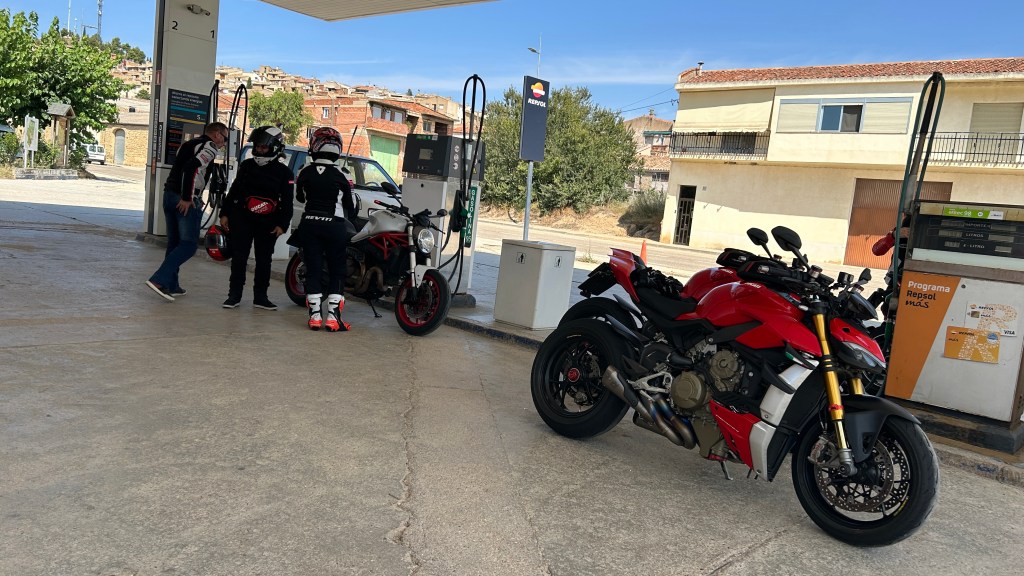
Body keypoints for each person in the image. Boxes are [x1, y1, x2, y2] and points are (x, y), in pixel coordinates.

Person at [146, 122, 229, 301]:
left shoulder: (188, 144)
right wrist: (187, 197)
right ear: (216, 134)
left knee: (175, 243)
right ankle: (159, 280)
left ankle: (171, 285)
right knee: (189, 245)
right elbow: (191, 168)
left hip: (169, 195)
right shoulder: (209, 146)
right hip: (183, 199)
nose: (224, 143)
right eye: (225, 138)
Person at [218, 125, 294, 310]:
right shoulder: (246, 166)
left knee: (264, 260)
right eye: (257, 146)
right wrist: (225, 213)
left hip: (268, 223)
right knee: (239, 258)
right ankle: (234, 296)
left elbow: (287, 202)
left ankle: (261, 297)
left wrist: (282, 225)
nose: (259, 150)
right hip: (242, 218)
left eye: (264, 147)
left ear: (275, 148)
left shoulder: (285, 173)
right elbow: (234, 191)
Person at [292, 127, 356, 331]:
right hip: (334, 226)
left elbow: (299, 197)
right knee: (337, 271)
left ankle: (315, 317)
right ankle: (333, 318)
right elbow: (350, 206)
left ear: (315, 146)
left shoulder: (304, 171)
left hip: (309, 225)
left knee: (313, 269)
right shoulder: (343, 174)